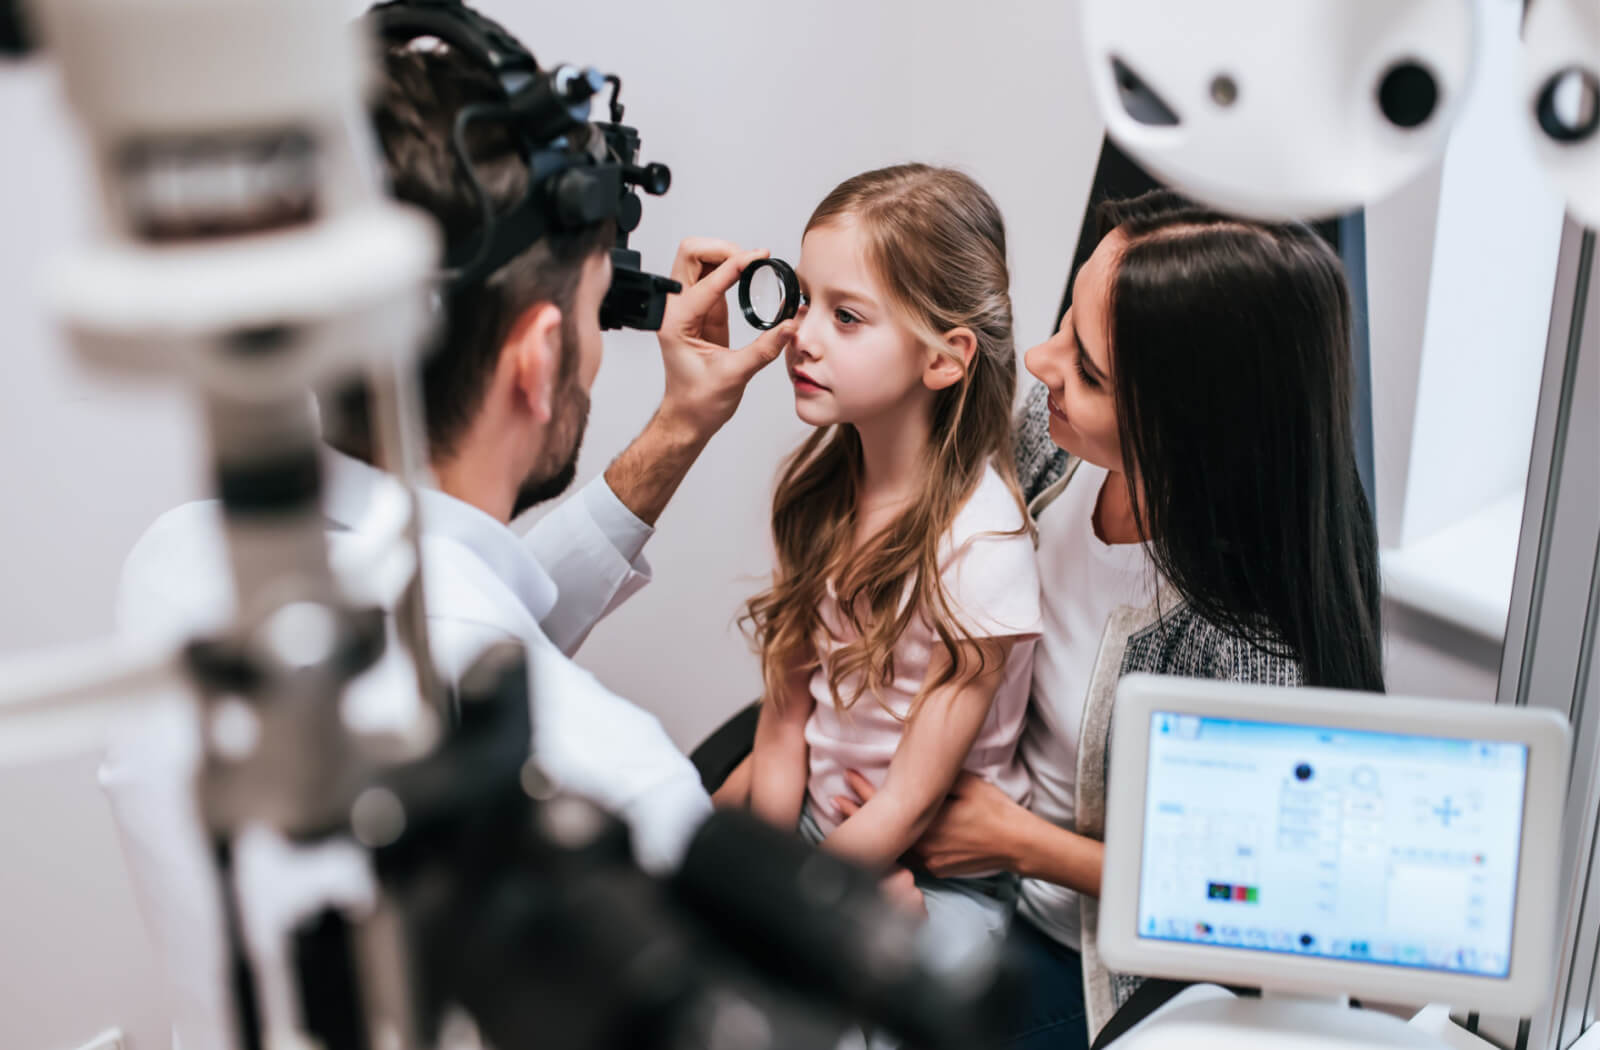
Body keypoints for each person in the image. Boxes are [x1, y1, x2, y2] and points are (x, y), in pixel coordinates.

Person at [100, 36, 798, 1050]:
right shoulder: (619, 792)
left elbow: (459, 606)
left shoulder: (179, 569)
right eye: (597, 308)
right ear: (540, 356)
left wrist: (678, 429)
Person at [724, 191, 1385, 1047]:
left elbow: (1260, 900)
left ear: (1194, 429)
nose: (1040, 363)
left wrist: (1022, 843)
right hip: (926, 823)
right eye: (1066, 326)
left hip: (1076, 942)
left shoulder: (1249, 648)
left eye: (1088, 369)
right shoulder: (1053, 439)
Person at [741, 165, 1042, 944]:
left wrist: (793, 897)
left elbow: (909, 802)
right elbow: (781, 729)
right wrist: (774, 869)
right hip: (817, 824)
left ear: (943, 359)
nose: (800, 336)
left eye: (847, 318)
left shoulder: (983, 547)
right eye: (806, 301)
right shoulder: (819, 493)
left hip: (941, 876)